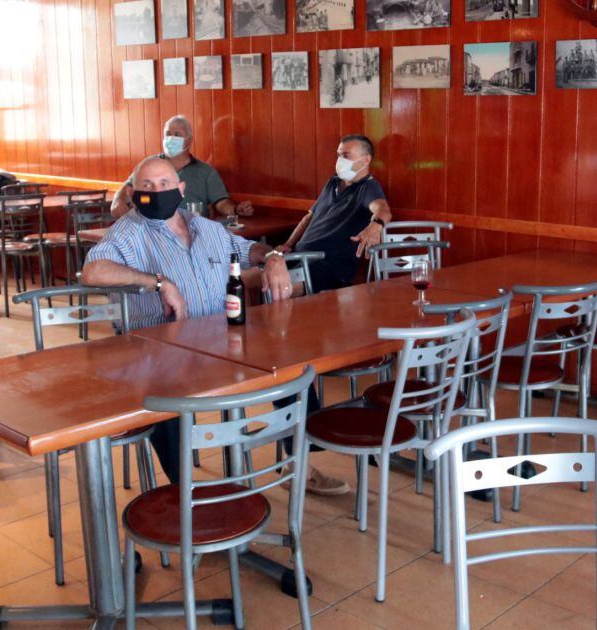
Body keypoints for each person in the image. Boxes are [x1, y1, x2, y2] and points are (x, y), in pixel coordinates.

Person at [83, 156, 349, 495]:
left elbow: (249, 250)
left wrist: (273, 258)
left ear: (181, 189)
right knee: (165, 397)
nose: (156, 192)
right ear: (133, 193)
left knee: (291, 367)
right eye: (147, 186)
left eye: (164, 184)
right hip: (160, 349)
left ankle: (299, 464)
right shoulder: (127, 232)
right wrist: (158, 282)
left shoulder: (206, 228)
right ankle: (186, 497)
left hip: (220, 341)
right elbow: (93, 271)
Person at [276, 134, 391, 292]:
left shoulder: (368, 187)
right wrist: (288, 244)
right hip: (298, 255)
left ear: (366, 160)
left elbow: (383, 210)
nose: (340, 160)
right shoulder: (333, 182)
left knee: (276, 288)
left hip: (327, 265)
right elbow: (310, 216)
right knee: (248, 277)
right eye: (339, 155)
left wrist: (375, 226)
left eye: (346, 156)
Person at [110, 115, 254, 221]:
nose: (171, 138)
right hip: (151, 231)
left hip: (192, 233)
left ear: (189, 140)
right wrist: (118, 199)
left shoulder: (206, 172)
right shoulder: (149, 165)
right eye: (168, 134)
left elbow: (221, 203)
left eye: (177, 135)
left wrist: (236, 210)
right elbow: (127, 187)